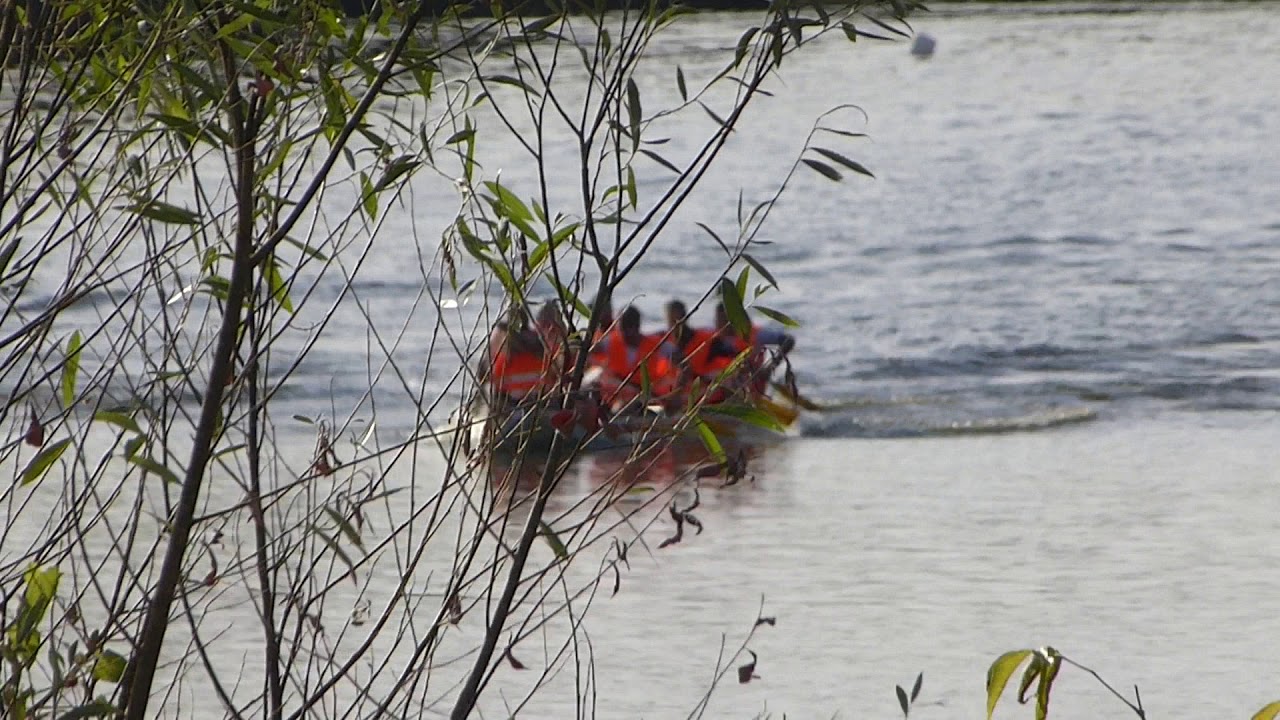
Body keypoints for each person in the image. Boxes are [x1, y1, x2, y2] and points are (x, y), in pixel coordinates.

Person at [592, 305, 676, 411]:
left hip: (648, 398)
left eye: (629, 327)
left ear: (637, 326)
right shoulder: (609, 342)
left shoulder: (658, 345)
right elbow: (588, 352)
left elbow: (682, 361)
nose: (625, 333)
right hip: (616, 396)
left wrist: (676, 392)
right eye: (622, 328)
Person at [705, 302, 795, 394]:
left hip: (750, 390)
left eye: (725, 319)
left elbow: (788, 340)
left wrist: (770, 367)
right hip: (716, 391)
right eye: (719, 319)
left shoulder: (755, 335)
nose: (721, 323)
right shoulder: (709, 337)